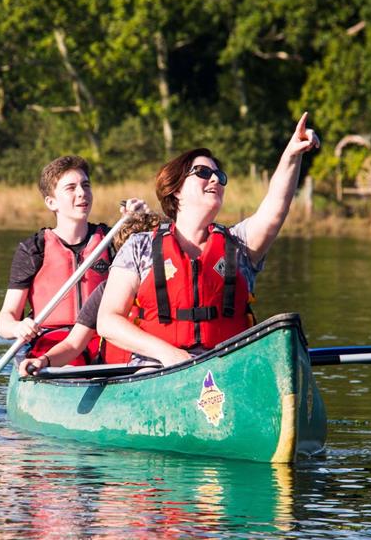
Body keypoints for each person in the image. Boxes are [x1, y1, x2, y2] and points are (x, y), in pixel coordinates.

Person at [96, 113, 320, 368]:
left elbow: (277, 206)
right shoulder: (139, 247)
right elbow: (107, 321)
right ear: (176, 189)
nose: (215, 179)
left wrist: (293, 154)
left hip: (228, 368)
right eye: (203, 172)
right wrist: (170, 354)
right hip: (156, 370)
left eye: (219, 176)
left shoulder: (240, 245)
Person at [0, 155, 146, 366]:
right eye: (71, 188)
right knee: (71, 362)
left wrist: (140, 222)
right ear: (51, 202)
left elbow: (152, 254)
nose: (82, 193)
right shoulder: (34, 249)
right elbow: (4, 319)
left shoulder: (113, 240)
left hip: (103, 335)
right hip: (53, 340)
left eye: (85, 185)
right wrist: (17, 327)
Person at [18, 211, 165, 376]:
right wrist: (44, 360)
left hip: (164, 365)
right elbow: (73, 345)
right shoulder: (105, 292)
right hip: (117, 372)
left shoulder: (176, 287)